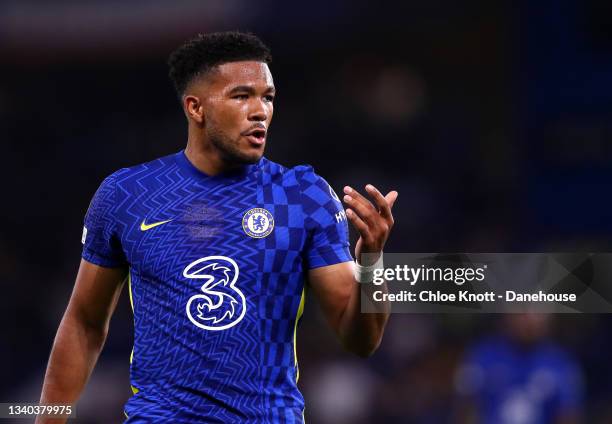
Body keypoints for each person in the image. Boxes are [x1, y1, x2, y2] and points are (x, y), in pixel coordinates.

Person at [37, 31, 398, 423]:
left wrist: (372, 262)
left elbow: (362, 340)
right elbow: (85, 324)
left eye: (268, 97)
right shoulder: (128, 194)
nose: (260, 111)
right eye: (242, 96)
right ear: (196, 108)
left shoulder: (303, 197)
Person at [455, 314, 583, 424]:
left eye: (535, 312)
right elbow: (466, 408)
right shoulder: (482, 356)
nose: (528, 319)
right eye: (521, 312)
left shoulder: (561, 363)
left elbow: (568, 414)